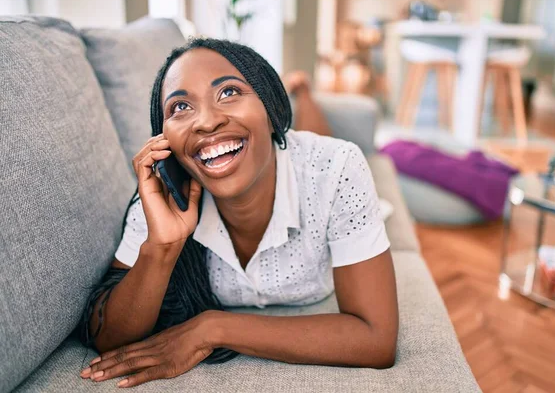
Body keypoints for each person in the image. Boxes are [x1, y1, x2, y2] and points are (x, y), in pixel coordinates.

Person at [79, 38, 398, 388]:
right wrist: (162, 248)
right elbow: (108, 336)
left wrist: (213, 328)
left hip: (305, 163)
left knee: (311, 141)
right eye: (181, 106)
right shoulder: (161, 200)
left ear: (271, 108)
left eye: (229, 92)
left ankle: (300, 90)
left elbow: (376, 340)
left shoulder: (336, 168)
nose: (206, 122)